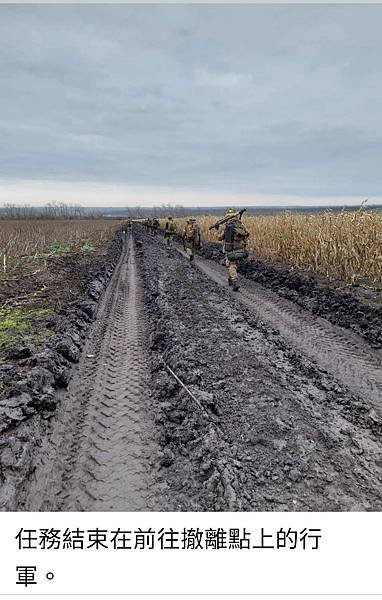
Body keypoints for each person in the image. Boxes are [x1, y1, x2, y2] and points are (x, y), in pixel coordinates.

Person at [215, 208, 249, 291]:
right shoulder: (240, 225)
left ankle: (234, 281)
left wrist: (216, 231)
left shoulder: (227, 227)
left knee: (231, 265)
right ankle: (230, 279)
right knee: (233, 265)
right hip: (240, 248)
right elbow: (247, 233)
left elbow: (220, 238)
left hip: (230, 249)